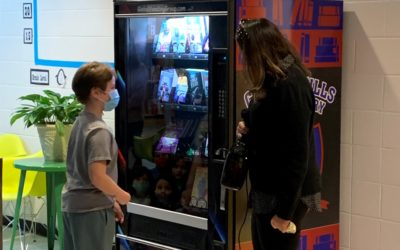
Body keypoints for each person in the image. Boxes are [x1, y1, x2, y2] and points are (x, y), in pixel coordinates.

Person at [235, 18, 321, 250]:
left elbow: (298, 156)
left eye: (246, 52)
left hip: (283, 195)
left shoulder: (290, 84)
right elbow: (272, 126)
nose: (244, 59)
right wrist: (248, 123)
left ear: (259, 49)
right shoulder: (274, 77)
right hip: (270, 190)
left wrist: (285, 213)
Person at [62, 62, 131, 250]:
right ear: (96, 93)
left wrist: (110, 201)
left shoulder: (80, 122)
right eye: (112, 88)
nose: (115, 93)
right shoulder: (99, 132)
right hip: (91, 212)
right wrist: (122, 196)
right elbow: (97, 176)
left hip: (74, 207)